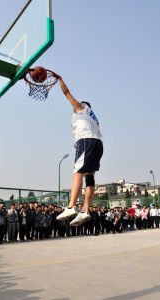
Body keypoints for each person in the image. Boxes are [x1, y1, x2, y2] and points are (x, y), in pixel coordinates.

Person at [56, 76, 103, 226]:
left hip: (86, 142)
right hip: (98, 145)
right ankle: (85, 211)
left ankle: (70, 207)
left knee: (77, 173)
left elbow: (67, 93)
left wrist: (59, 79)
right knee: (89, 177)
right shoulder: (93, 119)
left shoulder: (81, 109)